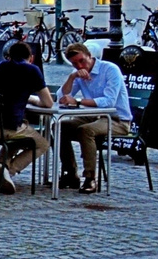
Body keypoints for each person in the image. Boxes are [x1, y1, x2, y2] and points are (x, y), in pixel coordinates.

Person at [56, 43, 133, 193]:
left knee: (86, 131)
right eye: (74, 63)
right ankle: (70, 173)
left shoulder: (110, 69)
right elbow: (61, 97)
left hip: (117, 119)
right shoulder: (78, 73)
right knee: (59, 126)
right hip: (94, 116)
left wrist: (78, 101)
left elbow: (109, 101)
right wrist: (72, 77)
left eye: (82, 61)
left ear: (89, 56)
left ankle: (90, 178)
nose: (79, 65)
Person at [0, 40, 54, 194]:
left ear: (9, 56)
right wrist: (33, 98)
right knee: (41, 143)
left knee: (21, 128)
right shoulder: (32, 70)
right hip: (7, 125)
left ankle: (1, 165)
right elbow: (48, 103)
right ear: (31, 57)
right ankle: (8, 170)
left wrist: (25, 97)